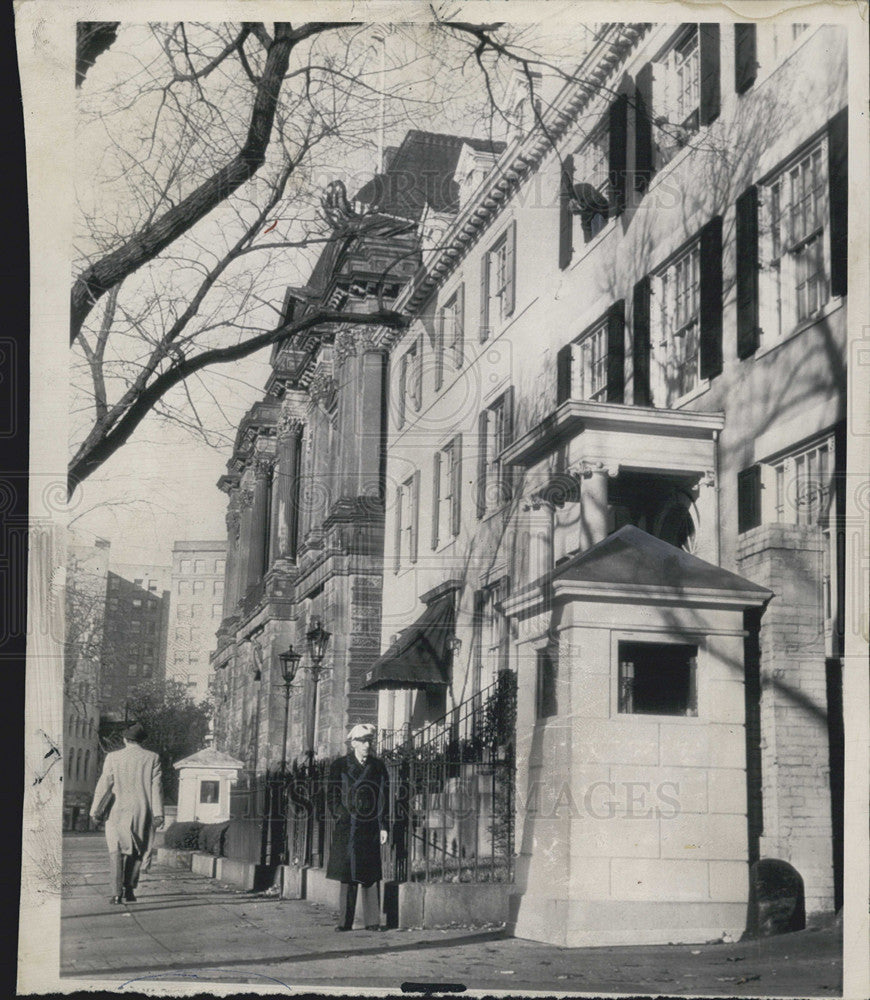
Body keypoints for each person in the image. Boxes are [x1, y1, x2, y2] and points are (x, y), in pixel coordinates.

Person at [90, 722, 164, 904]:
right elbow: (157, 787)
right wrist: (158, 813)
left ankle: (116, 894)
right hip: (141, 810)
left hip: (117, 811)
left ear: (125, 739)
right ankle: (129, 890)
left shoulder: (113, 757)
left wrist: (95, 810)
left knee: (115, 851)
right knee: (137, 850)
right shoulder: (152, 758)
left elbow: (104, 784)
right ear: (141, 740)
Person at [326, 723, 389, 931]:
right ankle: (345, 921)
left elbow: (384, 797)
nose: (366, 745)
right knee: (348, 873)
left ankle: (373, 921)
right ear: (353, 743)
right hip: (348, 826)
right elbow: (331, 795)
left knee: (370, 873)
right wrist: (340, 815)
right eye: (362, 741)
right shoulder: (339, 765)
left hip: (370, 825)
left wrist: (383, 826)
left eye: (369, 741)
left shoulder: (378, 766)